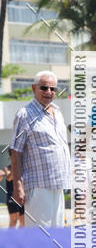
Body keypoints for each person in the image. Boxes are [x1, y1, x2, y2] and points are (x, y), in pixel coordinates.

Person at [10, 70, 70, 228]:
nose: (49, 92)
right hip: (38, 186)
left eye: (53, 89)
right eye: (44, 88)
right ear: (33, 88)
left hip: (58, 185)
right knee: (40, 238)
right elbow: (15, 151)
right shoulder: (25, 115)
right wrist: (17, 187)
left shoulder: (57, 112)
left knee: (57, 236)